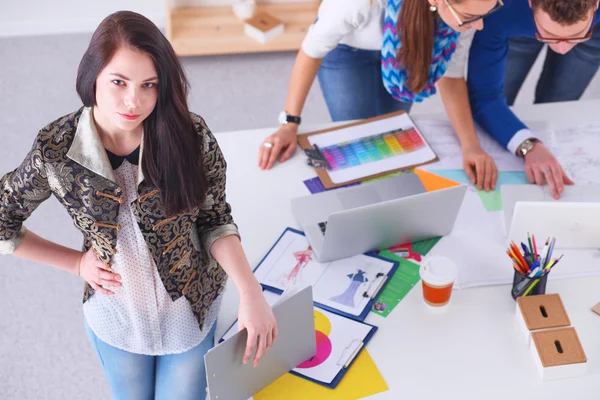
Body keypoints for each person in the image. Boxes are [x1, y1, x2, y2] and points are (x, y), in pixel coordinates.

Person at [0, 11, 276, 400]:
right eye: (118, 82)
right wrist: (76, 263)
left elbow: (215, 219)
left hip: (189, 314)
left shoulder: (190, 135)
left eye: (150, 84)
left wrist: (251, 292)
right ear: (91, 76)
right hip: (116, 317)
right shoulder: (56, 149)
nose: (134, 101)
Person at [258, 0, 504, 191]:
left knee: (390, 132)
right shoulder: (356, 4)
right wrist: (289, 124)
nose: (480, 25)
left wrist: (471, 146)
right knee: (356, 135)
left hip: (411, 50)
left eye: (487, 13)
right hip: (348, 51)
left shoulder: (468, 13)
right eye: (472, 18)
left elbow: (452, 73)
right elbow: (311, 51)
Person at [467, 0, 600, 199]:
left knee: (557, 107)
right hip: (516, 16)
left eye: (575, 37)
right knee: (500, 105)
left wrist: (574, 34)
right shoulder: (500, 8)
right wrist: (527, 145)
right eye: (549, 35)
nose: (562, 50)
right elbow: (484, 95)